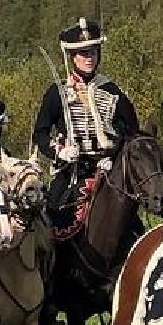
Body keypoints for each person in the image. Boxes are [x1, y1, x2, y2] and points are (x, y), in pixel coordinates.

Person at [33, 18, 140, 227]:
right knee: (50, 218)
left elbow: (132, 134)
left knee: (133, 226)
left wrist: (114, 157)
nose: (89, 58)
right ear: (73, 57)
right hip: (71, 172)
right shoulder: (58, 92)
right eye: (83, 53)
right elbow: (40, 133)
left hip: (108, 172)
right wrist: (58, 151)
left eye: (92, 52)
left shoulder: (112, 92)